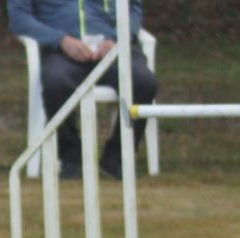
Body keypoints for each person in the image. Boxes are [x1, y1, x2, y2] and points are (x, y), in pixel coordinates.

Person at [8, 0, 158, 180]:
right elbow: (19, 19)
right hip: (61, 53)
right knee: (55, 82)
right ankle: (70, 156)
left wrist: (116, 39)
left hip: (111, 52)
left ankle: (117, 157)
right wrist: (61, 40)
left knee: (144, 83)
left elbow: (133, 7)